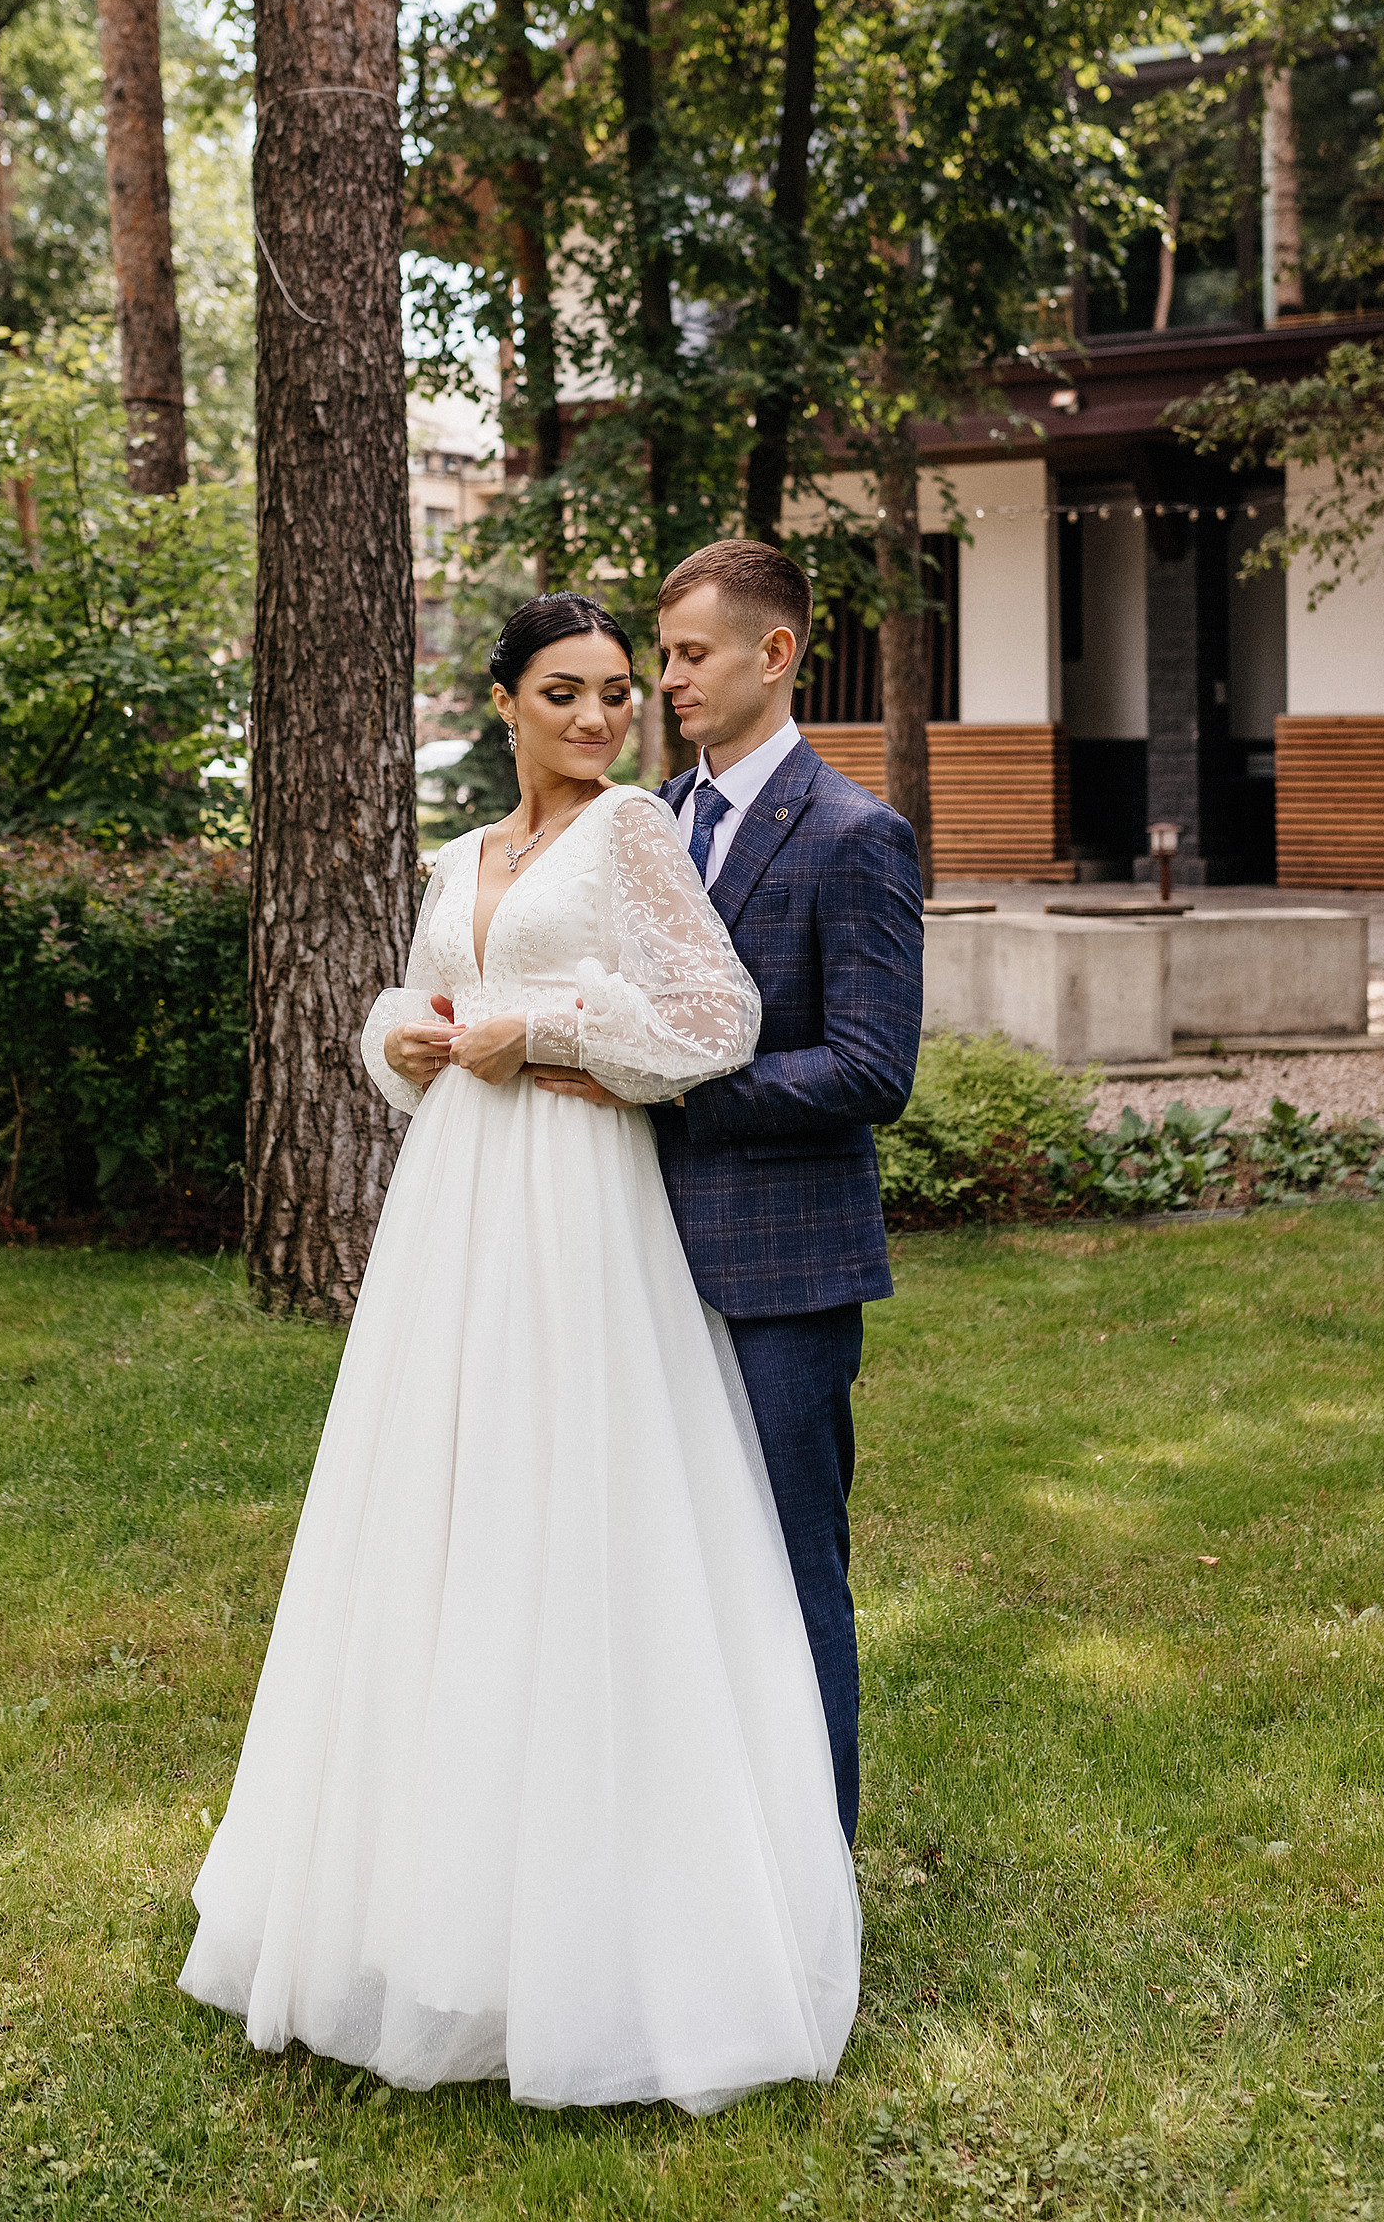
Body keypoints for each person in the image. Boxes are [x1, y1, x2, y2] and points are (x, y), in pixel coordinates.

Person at [179, 592, 861, 2114]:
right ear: (501, 702)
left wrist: (543, 1036)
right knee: (437, 1519)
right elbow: (423, 999)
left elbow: (717, 1021)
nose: (603, 717)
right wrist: (403, 1038)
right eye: (567, 692)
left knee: (572, 1517)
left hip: (576, 1204)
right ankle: (423, 1911)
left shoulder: (635, 837)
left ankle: (609, 1924)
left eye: (622, 692)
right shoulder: (459, 857)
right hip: (455, 1215)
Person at [538, 542, 923, 1845]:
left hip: (781, 1274)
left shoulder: (855, 838)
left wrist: (675, 1090)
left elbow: (872, 1068)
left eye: (693, 654)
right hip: (624, 1255)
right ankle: (681, 1856)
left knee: (784, 1569)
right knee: (646, 1564)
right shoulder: (625, 824)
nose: (668, 680)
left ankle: (815, 1874)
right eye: (667, 656)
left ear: (776, 654)